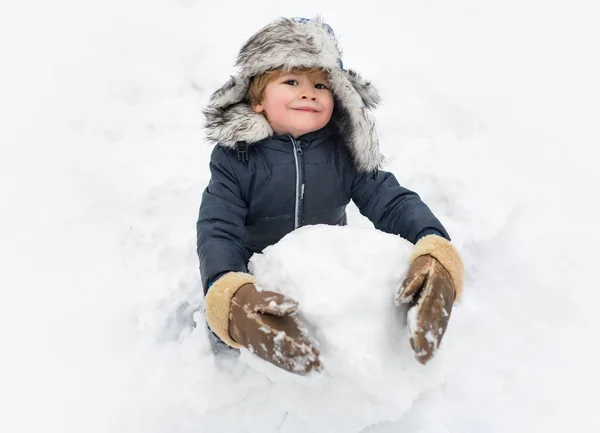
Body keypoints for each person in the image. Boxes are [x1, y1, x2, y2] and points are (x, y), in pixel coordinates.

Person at [196, 16, 464, 375]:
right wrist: (228, 288)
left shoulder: (343, 154)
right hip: (257, 283)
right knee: (240, 358)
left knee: (326, 354)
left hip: (319, 278)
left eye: (321, 85)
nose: (309, 92)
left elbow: (391, 199)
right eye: (291, 81)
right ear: (256, 99)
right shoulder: (236, 158)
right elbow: (218, 228)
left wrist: (432, 243)